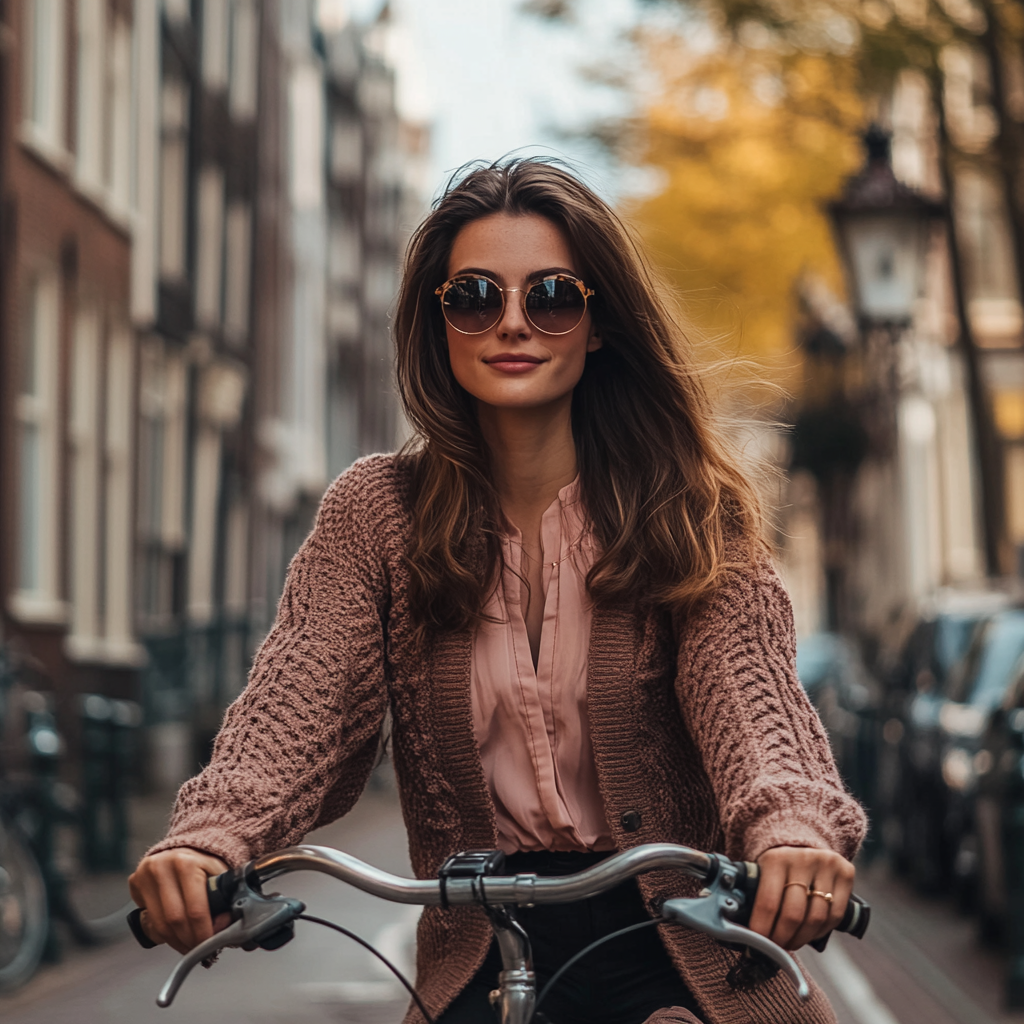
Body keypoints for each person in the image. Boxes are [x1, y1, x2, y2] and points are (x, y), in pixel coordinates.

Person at [129, 159, 865, 1024]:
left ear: (596, 324)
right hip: (476, 950)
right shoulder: (375, 516)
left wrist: (791, 832)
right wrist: (210, 840)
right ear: (439, 324)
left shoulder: (693, 512)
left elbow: (754, 707)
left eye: (551, 296)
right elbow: (296, 708)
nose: (512, 323)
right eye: (475, 297)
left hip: (686, 943)